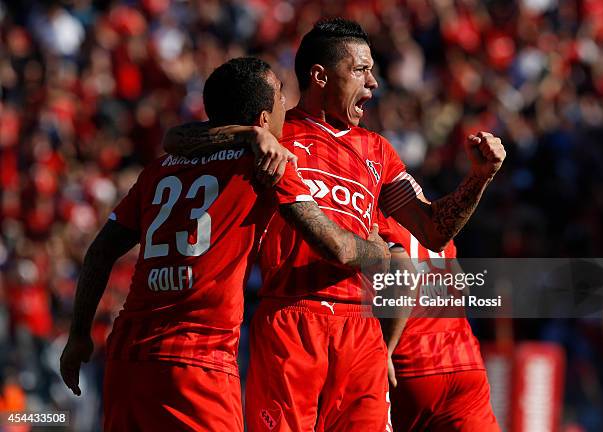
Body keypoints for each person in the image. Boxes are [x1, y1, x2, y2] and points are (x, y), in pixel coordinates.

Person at [164, 18, 505, 432]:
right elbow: (177, 139)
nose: (374, 82)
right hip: (291, 319)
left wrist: (479, 176)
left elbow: (434, 231)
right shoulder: (276, 131)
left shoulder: (377, 150)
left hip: (360, 331)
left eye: (373, 70)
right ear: (320, 76)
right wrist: (246, 136)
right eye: (361, 70)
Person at [59, 57, 390, 431]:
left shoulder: (160, 168)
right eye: (281, 98)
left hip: (129, 357)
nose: (287, 106)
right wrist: (378, 253)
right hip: (199, 359)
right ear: (264, 119)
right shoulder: (266, 164)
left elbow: (101, 251)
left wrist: (78, 335)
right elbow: (336, 247)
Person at [378, 213, 501, 431]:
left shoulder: (374, 217)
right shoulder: (430, 218)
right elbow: (463, 286)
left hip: (411, 364)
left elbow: (405, 280)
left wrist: (386, 350)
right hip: (464, 361)